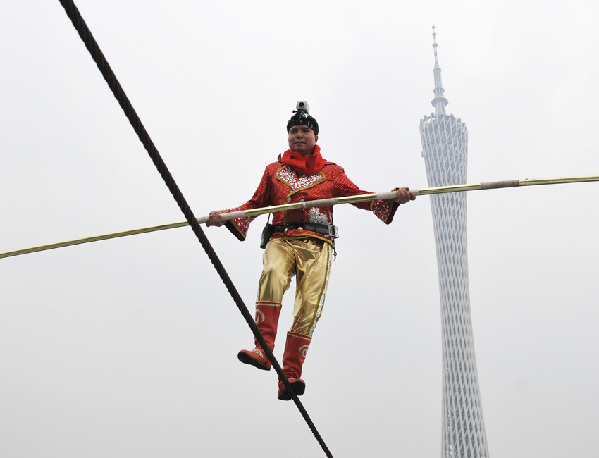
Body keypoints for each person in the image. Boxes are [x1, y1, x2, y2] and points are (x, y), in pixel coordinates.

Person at [207, 102, 415, 400]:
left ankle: (290, 374)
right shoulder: (273, 171)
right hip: (282, 238)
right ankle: (262, 349)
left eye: (305, 130)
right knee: (272, 276)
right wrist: (226, 216)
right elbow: (254, 205)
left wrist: (393, 197)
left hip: (318, 245)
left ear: (316, 137)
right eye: (294, 131)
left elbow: (359, 196)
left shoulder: (331, 173)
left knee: (309, 307)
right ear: (287, 137)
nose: (299, 135)